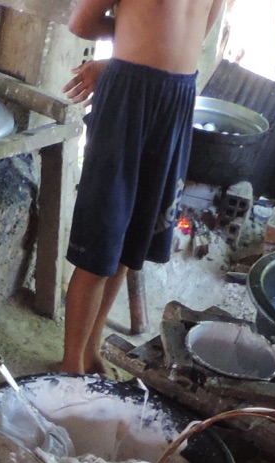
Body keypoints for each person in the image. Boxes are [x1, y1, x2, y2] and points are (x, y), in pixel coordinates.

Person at [57, 0, 226, 375]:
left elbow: (199, 31)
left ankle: (90, 349)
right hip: (127, 97)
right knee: (101, 238)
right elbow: (82, 21)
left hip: (179, 97)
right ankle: (71, 367)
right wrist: (123, 61)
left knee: (130, 243)